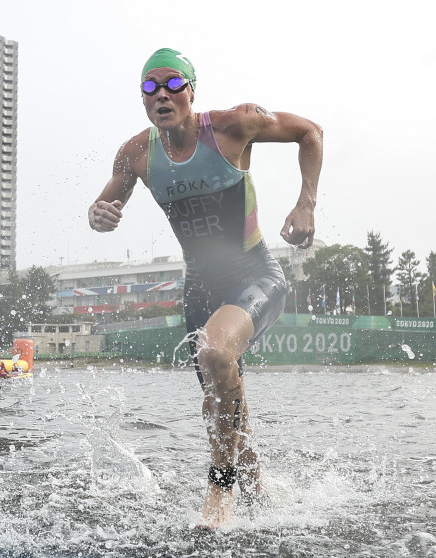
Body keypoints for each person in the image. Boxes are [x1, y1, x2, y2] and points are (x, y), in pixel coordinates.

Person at [89, 48, 323, 528]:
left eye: (172, 83)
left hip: (255, 275)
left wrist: (306, 204)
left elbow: (310, 132)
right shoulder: (136, 153)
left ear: (191, 91)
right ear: (143, 99)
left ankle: (219, 492)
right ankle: (261, 497)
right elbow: (103, 208)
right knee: (222, 402)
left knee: (216, 355)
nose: (161, 94)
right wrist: (98, 216)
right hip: (199, 288)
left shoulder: (234, 125)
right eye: (150, 87)